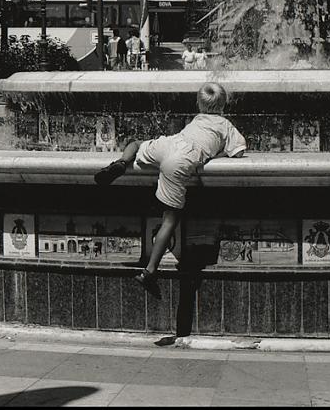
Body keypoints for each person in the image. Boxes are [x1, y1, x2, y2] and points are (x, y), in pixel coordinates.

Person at [94, 82, 246, 291]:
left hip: (169, 144)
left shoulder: (197, 119)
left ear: (198, 104)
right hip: (182, 161)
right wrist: (218, 152)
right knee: (170, 219)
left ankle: (120, 163)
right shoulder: (225, 125)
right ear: (224, 105)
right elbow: (238, 151)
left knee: (136, 143)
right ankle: (149, 272)